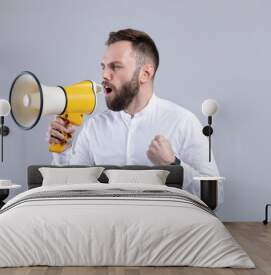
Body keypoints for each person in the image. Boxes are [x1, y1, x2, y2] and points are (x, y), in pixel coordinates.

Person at [48, 28, 221, 203]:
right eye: (104, 67)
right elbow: (72, 192)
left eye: (115, 66)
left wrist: (173, 165)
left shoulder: (183, 122)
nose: (104, 75)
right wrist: (62, 151)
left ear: (145, 73)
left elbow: (215, 196)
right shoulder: (94, 127)